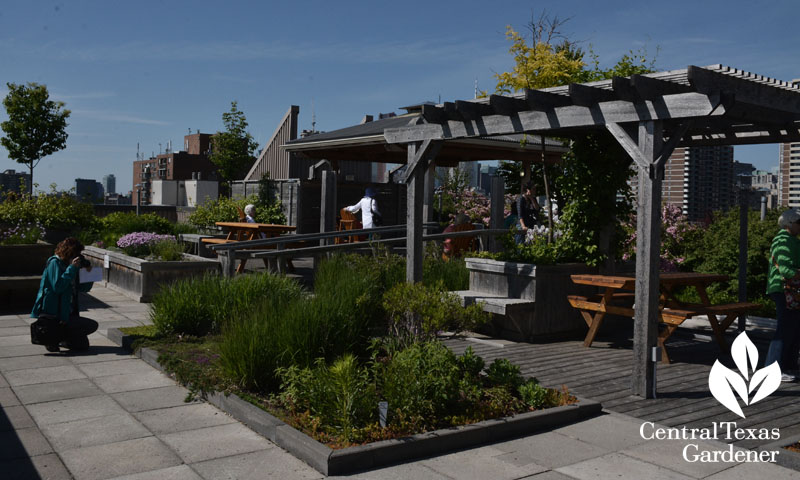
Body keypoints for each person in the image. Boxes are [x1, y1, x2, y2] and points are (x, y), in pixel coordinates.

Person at [31, 237, 98, 353]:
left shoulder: (72, 266)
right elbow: (57, 287)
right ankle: (53, 339)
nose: (78, 256)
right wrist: (72, 268)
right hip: (53, 314)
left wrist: (89, 273)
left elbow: (83, 288)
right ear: (69, 252)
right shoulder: (54, 263)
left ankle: (63, 338)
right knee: (74, 338)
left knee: (85, 340)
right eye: (76, 253)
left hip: (68, 312)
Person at [765, 209, 800, 382]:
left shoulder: (792, 240)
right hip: (783, 289)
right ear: (789, 224)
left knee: (793, 328)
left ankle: (789, 365)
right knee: (785, 329)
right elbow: (786, 269)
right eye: (798, 223)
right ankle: (773, 369)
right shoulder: (782, 240)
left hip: (790, 290)